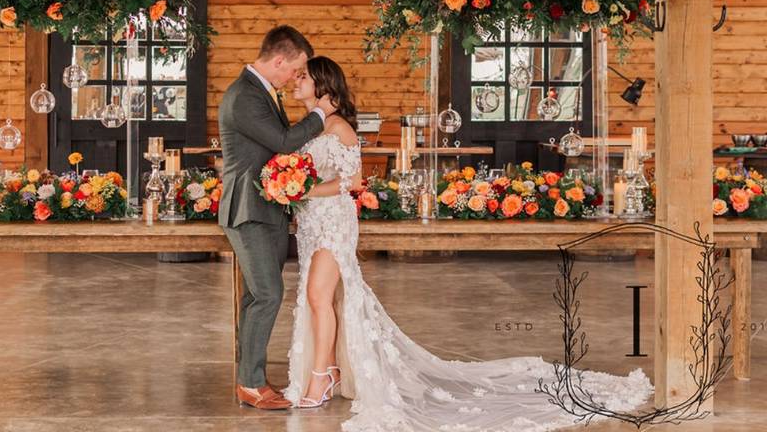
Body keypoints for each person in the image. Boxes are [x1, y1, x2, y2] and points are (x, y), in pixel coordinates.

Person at [283, 56, 654, 430]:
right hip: (313, 220)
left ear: (323, 84)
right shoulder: (312, 128)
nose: (295, 82)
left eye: (303, 77)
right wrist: (294, 190)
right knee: (322, 299)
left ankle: (323, 375)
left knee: (318, 296)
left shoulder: (339, 128)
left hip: (333, 222)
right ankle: (327, 369)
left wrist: (306, 189)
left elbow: (353, 181)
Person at [218, 25, 335, 410]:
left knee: (258, 295)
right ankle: (250, 384)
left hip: (265, 207)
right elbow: (284, 142)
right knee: (267, 293)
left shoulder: (262, 92)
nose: (295, 78)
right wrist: (321, 112)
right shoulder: (244, 96)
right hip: (247, 209)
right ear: (279, 60)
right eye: (295, 69)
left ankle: (250, 379)